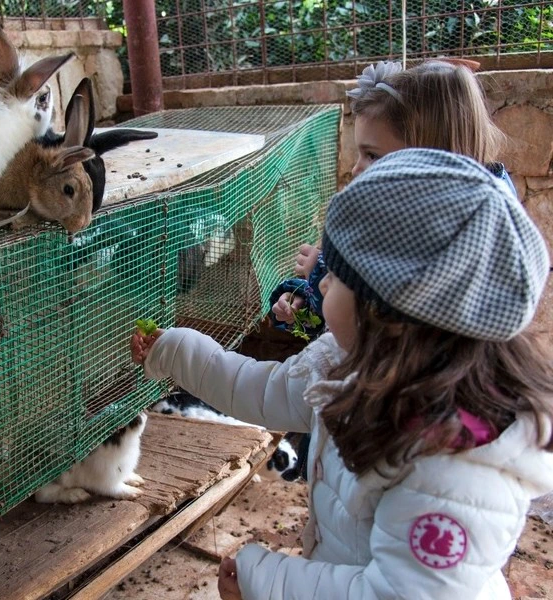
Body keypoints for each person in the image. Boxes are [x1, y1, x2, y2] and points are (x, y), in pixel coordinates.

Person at [131, 149, 553, 599]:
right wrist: (174, 351)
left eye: (339, 274)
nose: (322, 283)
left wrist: (269, 582)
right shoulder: (353, 360)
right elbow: (262, 390)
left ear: (388, 308)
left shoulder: (456, 467)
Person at [270, 59, 516, 336]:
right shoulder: (420, 207)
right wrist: (302, 302)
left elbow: (375, 324)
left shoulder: (454, 234)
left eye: (372, 155)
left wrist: (321, 273)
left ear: (428, 153)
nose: (355, 169)